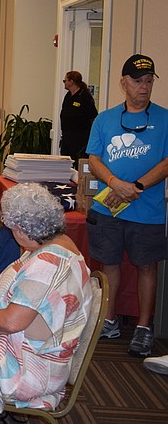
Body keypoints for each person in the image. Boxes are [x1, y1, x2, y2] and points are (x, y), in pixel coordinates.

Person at [0, 182, 92, 417]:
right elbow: (21, 297)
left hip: (25, 373)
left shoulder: (46, 265)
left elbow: (11, 322)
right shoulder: (59, 245)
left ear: (22, 230)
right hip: (32, 356)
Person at [86, 54, 168, 357]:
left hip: (147, 210)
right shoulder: (105, 119)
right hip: (109, 207)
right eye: (137, 81)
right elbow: (93, 159)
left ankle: (144, 327)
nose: (143, 87)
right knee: (109, 264)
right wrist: (114, 183)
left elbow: (167, 161)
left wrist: (138, 186)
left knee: (147, 265)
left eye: (148, 81)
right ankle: (109, 320)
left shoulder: (165, 118)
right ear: (124, 83)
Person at [59, 70, 98, 160]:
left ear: (71, 82)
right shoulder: (68, 96)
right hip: (67, 138)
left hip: (80, 140)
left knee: (78, 164)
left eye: (65, 81)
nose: (64, 83)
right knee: (65, 164)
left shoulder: (85, 97)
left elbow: (93, 118)